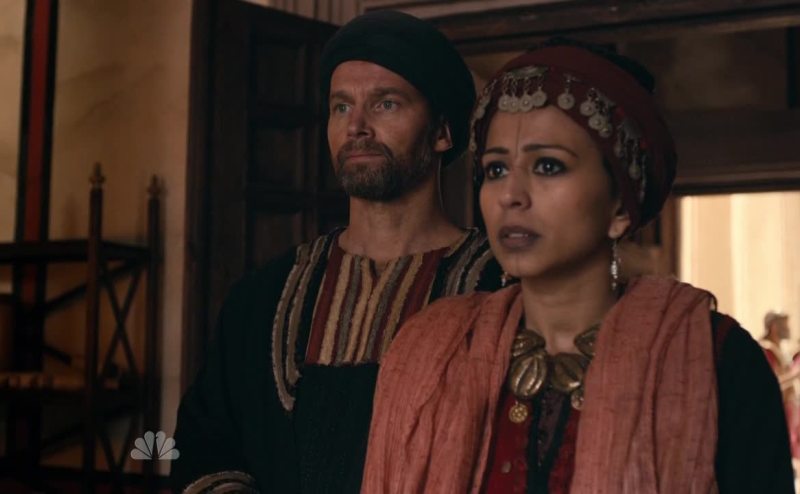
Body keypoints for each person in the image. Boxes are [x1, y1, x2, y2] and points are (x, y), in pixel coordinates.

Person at [362, 39, 794, 493]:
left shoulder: (715, 359)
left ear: (620, 207)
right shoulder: (432, 351)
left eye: (548, 166)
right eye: (495, 170)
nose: (511, 195)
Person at [170, 10, 501, 494]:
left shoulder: (500, 289)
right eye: (341, 107)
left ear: (442, 132)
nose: (357, 126)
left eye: (386, 104)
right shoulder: (261, 299)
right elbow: (204, 443)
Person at [762, 310, 800, 459]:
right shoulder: (767, 351)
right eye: (784, 324)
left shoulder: (777, 349)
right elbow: (770, 383)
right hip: (778, 412)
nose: (788, 327)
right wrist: (794, 375)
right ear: (774, 327)